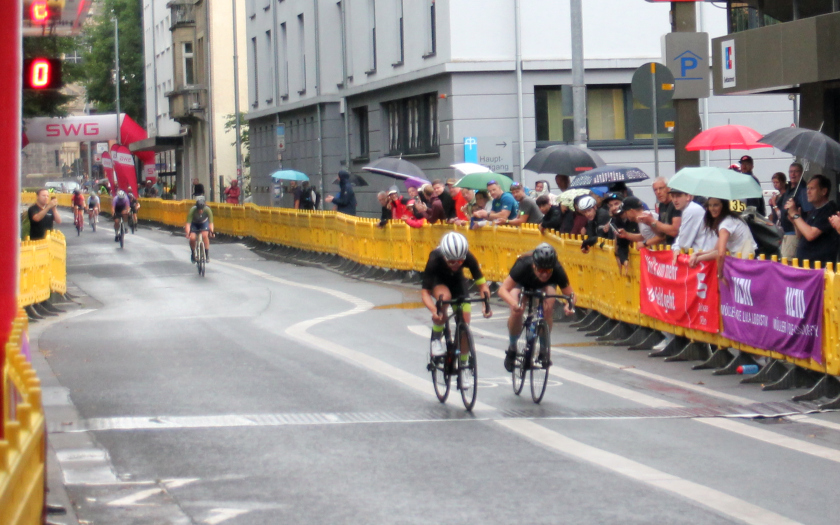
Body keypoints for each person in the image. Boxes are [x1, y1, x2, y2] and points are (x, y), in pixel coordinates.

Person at [498, 243, 575, 371]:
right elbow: (503, 290)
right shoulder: (523, 264)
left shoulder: (557, 268)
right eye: (541, 270)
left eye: (548, 271)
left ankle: (544, 349)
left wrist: (569, 305)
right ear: (534, 265)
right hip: (523, 283)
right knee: (517, 309)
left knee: (548, 307)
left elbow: (570, 294)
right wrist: (513, 304)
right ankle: (512, 347)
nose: (544, 274)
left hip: (546, 286)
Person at [421, 232, 492, 360]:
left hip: (458, 282)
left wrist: (485, 305)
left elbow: (482, 285)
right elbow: (425, 292)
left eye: (459, 261)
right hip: (439, 282)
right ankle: (436, 339)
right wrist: (434, 310)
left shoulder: (468, 257)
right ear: (444, 256)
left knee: (464, 327)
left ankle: (464, 364)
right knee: (445, 298)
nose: (456, 264)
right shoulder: (435, 258)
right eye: (451, 261)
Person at [688, 198, 757, 278]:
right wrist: (697, 255)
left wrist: (720, 275)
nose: (712, 209)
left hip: (747, 261)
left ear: (723, 206)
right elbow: (715, 250)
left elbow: (720, 254)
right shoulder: (728, 219)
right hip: (740, 261)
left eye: (716, 205)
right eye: (710, 205)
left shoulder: (725, 224)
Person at [786, 174, 839, 267]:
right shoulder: (814, 210)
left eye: (812, 188)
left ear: (824, 191)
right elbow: (800, 235)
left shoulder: (829, 210)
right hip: (806, 265)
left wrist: (795, 215)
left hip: (819, 266)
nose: (808, 192)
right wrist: (795, 221)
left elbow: (811, 234)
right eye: (807, 188)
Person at [776, 163, 813, 259]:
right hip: (786, 233)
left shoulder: (803, 190)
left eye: (796, 171)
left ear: (801, 173)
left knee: (788, 263)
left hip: (794, 233)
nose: (793, 174)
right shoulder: (789, 189)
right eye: (791, 172)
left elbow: (808, 211)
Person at [669, 189, 714, 263]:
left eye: (678, 196)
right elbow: (681, 236)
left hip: (703, 258)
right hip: (701, 256)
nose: (675, 200)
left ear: (688, 197)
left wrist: (676, 246)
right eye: (673, 196)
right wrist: (677, 246)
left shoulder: (691, 210)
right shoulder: (690, 208)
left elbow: (684, 244)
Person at [637, 176, 682, 246]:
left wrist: (652, 221)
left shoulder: (676, 204)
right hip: (668, 247)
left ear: (668, 188)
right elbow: (661, 234)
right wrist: (649, 223)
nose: (658, 192)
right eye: (655, 190)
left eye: (661, 188)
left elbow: (674, 231)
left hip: (680, 247)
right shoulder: (661, 205)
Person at [185, 197, 215, 262]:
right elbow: (188, 224)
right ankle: (193, 253)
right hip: (194, 223)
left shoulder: (208, 210)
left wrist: (211, 232)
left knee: (205, 235)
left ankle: (206, 254)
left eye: (201, 209)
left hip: (204, 222)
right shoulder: (192, 210)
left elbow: (211, 223)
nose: (200, 211)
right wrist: (188, 233)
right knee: (192, 238)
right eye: (199, 209)